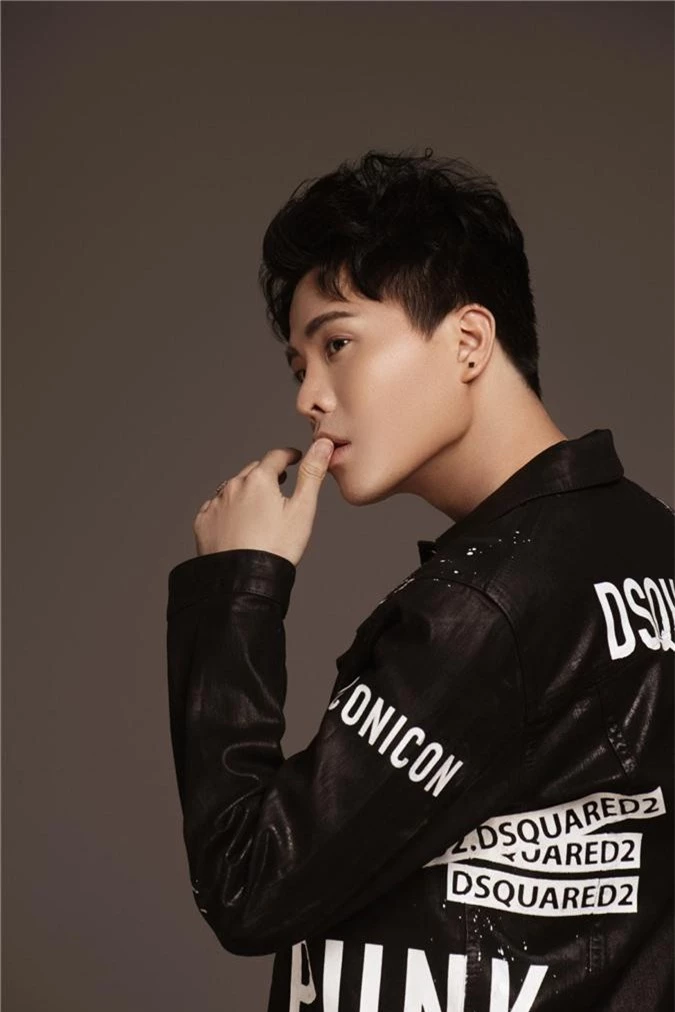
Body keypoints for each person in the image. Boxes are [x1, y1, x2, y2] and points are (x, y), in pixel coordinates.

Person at [166, 149, 674, 1011]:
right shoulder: (649, 540)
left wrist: (234, 589)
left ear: (467, 341)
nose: (308, 397)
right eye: (298, 366)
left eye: (337, 343)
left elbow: (249, 885)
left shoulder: (486, 602)